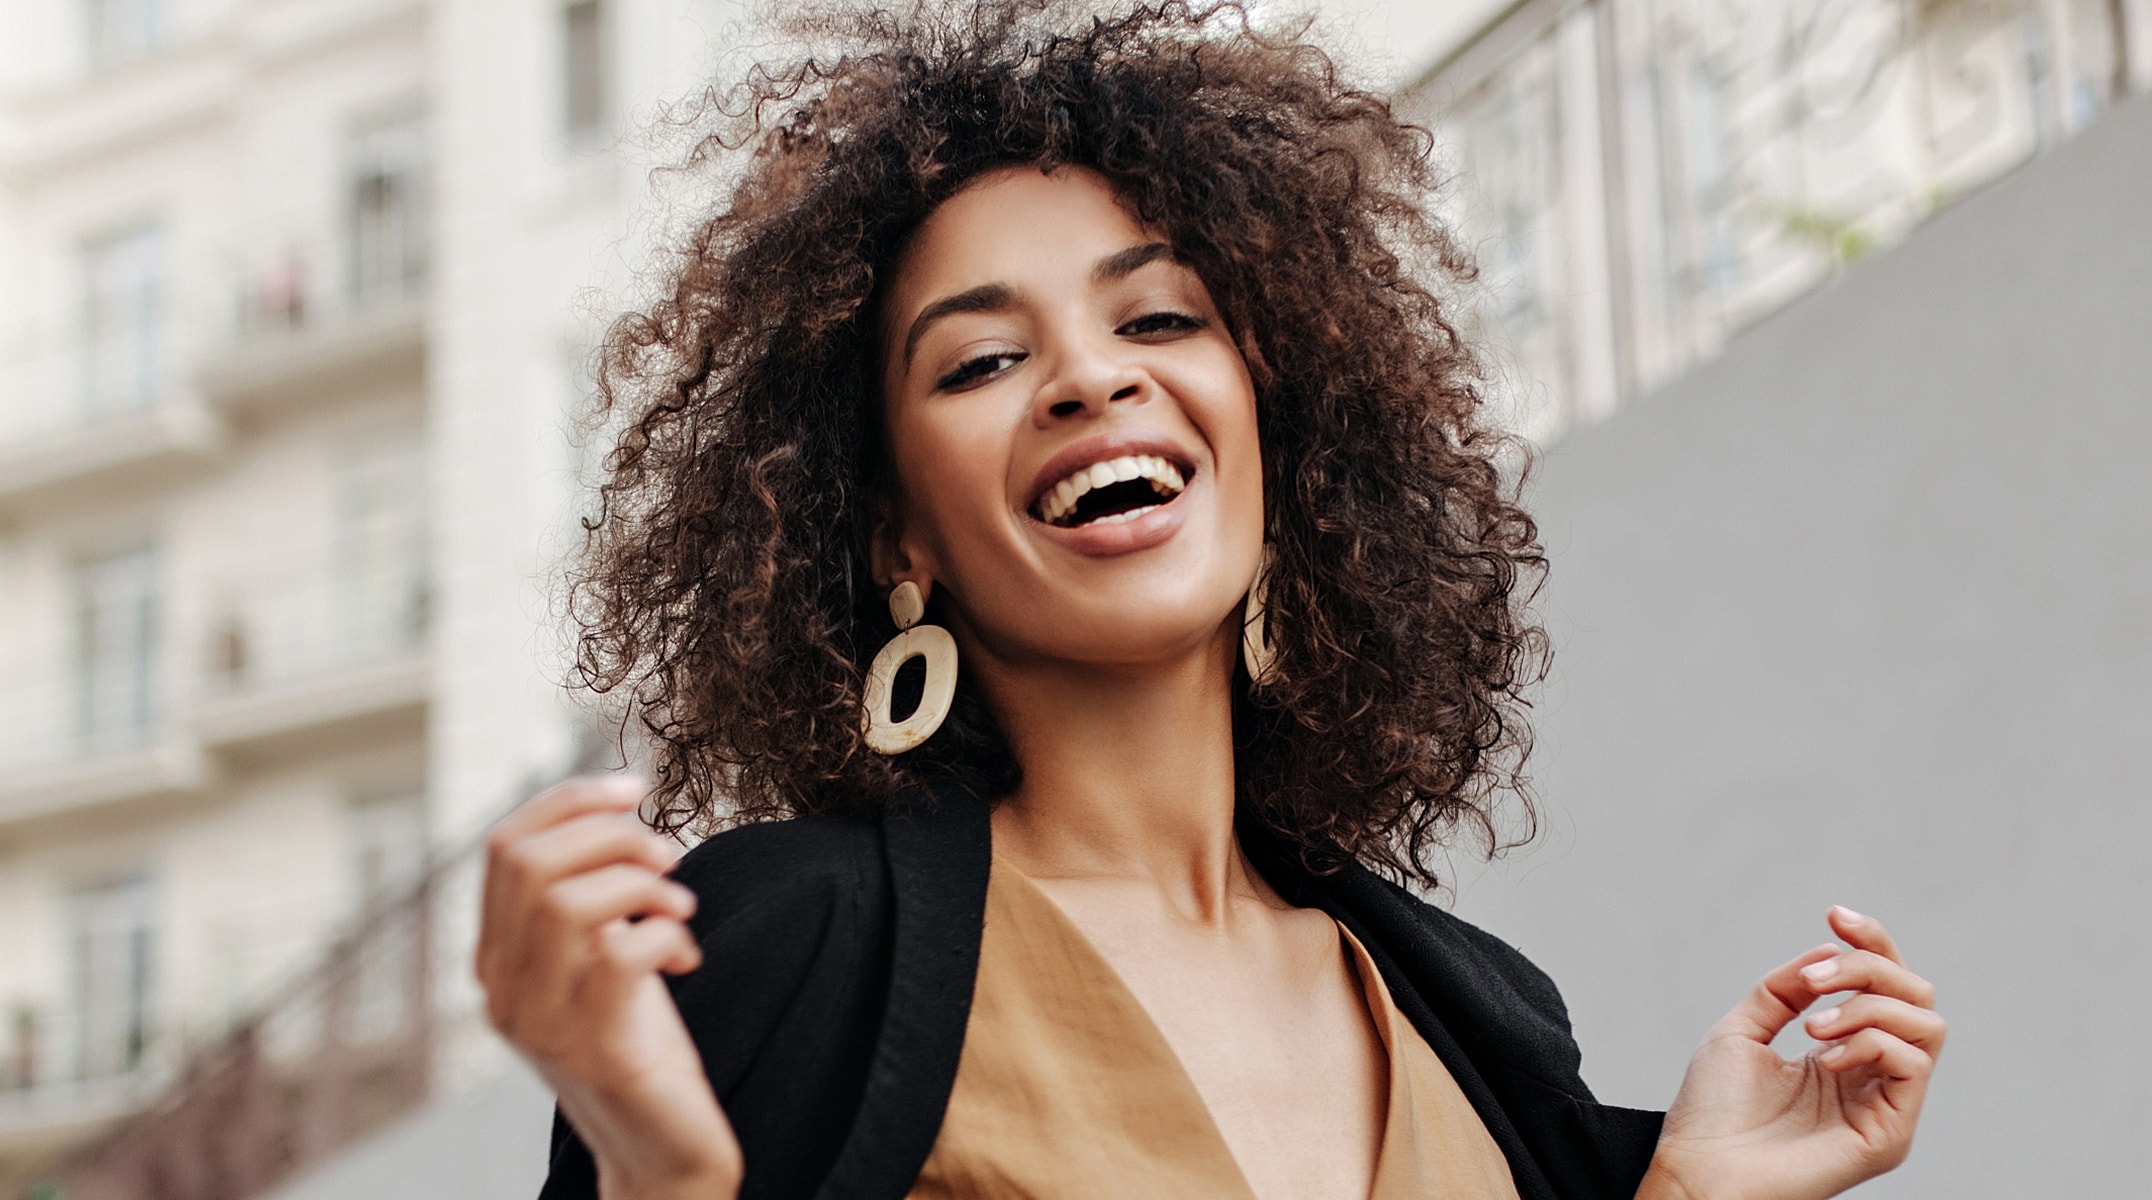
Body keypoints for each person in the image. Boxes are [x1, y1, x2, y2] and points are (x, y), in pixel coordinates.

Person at [476, 3, 1946, 1198]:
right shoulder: (782, 945)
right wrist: (661, 1174)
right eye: (982, 361)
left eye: (1159, 317)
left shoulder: (1489, 1029)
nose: (1091, 377)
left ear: (1271, 428)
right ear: (892, 540)